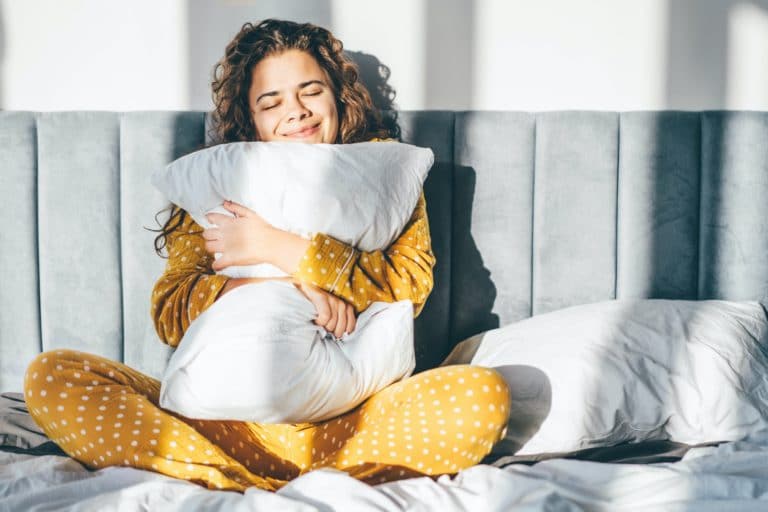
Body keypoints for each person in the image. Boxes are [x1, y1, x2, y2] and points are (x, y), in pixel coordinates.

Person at [24, 19, 510, 492]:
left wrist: (278, 248)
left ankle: (239, 477)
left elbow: (409, 285)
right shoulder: (219, 180)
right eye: (270, 101)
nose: (295, 111)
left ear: (339, 95)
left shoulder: (386, 173)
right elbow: (172, 310)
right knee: (52, 376)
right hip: (219, 424)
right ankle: (245, 477)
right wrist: (282, 288)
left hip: (354, 422)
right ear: (250, 118)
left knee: (482, 397)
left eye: (311, 90)